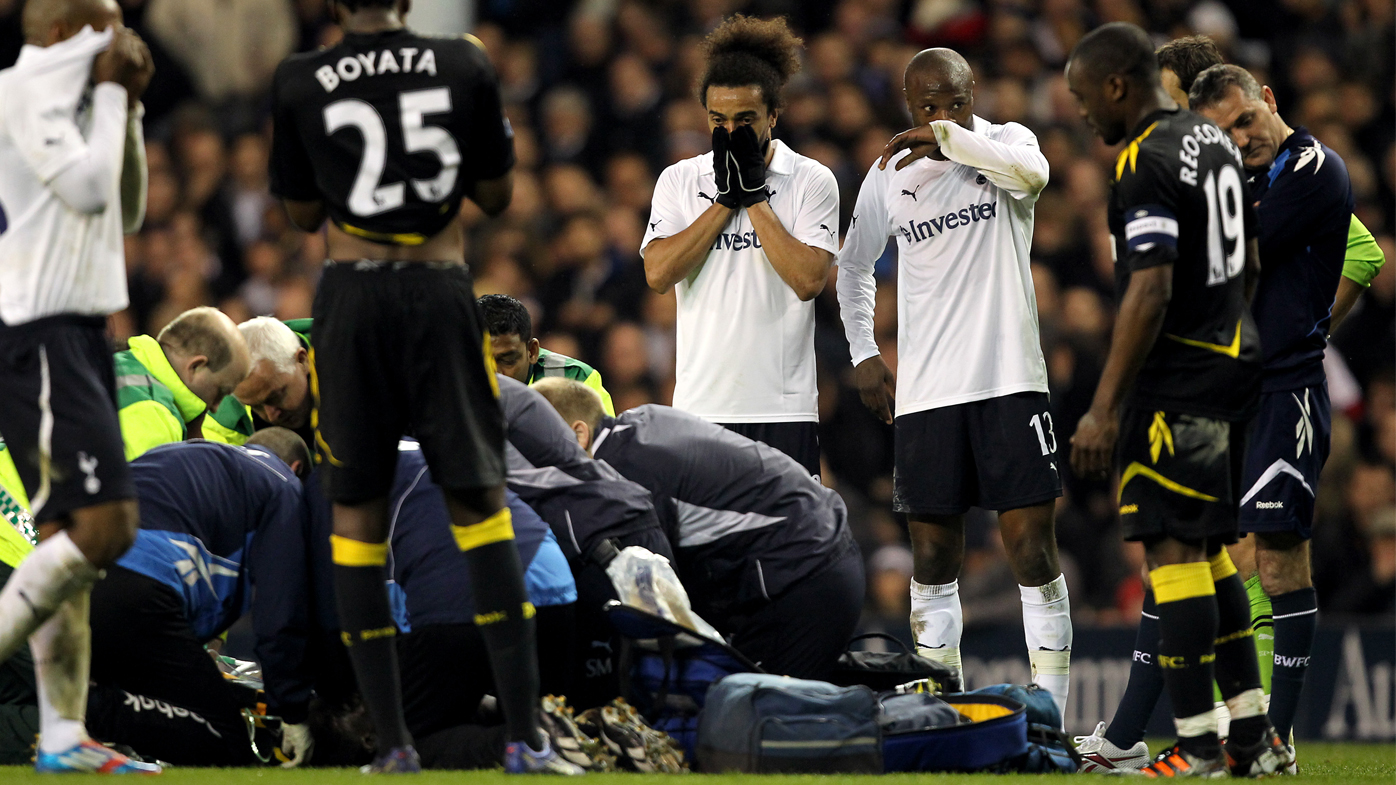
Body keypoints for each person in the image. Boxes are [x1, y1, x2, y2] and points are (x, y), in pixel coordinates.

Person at [268, 0, 571, 772]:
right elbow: (498, 196)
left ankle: (395, 744)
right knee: (479, 502)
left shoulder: (301, 77)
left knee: (359, 519)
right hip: (438, 291)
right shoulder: (461, 61)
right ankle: (525, 738)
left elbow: (303, 212)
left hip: (352, 301)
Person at [1077, 41, 1388, 773]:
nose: (1219, 140)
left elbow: (1361, 253)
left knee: (1245, 558)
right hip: (1226, 390)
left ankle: (1226, 736)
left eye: (1231, 122)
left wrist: (1302, 335)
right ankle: (1218, 734)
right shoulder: (1236, 173)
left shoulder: (1305, 171)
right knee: (1204, 555)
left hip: (1273, 388)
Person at [1064, 22, 1289, 778]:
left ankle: (1195, 744)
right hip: (1231, 362)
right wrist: (1228, 332)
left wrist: (1103, 405)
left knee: (1171, 555)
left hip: (1179, 377)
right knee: (1210, 554)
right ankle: (1250, 737)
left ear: (1117, 86)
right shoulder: (1211, 140)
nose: (1082, 112)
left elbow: (1151, 285)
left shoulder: (1145, 157)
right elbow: (1250, 259)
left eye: (1083, 95)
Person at [835, 47, 1072, 716]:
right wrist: (863, 352)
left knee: (1030, 548)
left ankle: (1050, 715)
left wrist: (950, 140)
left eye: (952, 103)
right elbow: (853, 267)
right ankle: (939, 710)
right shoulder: (888, 175)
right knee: (933, 557)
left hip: (1008, 380)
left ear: (974, 94)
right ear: (908, 106)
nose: (939, 117)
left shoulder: (1006, 143)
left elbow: (1036, 176)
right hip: (929, 393)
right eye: (926, 108)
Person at [0, 0, 160, 772]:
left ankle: (62, 736)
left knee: (75, 544)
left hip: (81, 329)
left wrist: (123, 106)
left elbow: (126, 205)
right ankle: (61, 733)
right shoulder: (25, 91)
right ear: (67, 31)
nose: (124, 40)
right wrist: (112, 95)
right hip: (38, 329)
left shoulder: (81, 102)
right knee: (105, 529)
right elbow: (92, 192)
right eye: (109, 25)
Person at [534, 377, 863, 681]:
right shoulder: (642, 422)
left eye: (533, 447)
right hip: (818, 559)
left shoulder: (623, 474)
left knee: (757, 726)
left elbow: (658, 593)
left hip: (805, 580)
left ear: (579, 435)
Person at [304, 440, 584, 770]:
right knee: (514, 702)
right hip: (552, 577)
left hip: (461, 592)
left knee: (409, 740)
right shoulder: (434, 445)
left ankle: (532, 739)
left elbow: (339, 604)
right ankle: (577, 731)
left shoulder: (333, 476)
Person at [640, 15, 838, 476]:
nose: (731, 132)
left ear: (773, 115)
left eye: (745, 119)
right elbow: (657, 274)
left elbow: (808, 280)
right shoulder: (680, 180)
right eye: (718, 119)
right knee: (704, 549)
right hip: (700, 407)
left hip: (782, 410)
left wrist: (755, 200)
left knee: (786, 548)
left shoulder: (811, 180)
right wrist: (724, 202)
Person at [87, 431, 314, 766]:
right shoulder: (286, 488)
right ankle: (88, 709)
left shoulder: (177, 453)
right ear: (296, 469)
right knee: (226, 742)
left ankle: (66, 708)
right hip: (141, 586)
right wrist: (291, 710)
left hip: (75, 580)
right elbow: (279, 611)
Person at [496, 375, 672, 709]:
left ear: (577, 433)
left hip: (603, 560)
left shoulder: (566, 487)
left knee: (595, 703)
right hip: (630, 548)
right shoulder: (615, 482)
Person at [113, 306, 252, 459]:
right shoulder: (154, 417)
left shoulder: (118, 359)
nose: (215, 407)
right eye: (220, 392)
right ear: (196, 366)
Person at [478, 294, 615, 416]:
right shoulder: (458, 380)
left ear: (532, 351)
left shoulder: (576, 380)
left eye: (508, 360)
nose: (495, 374)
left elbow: (605, 443)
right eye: (481, 361)